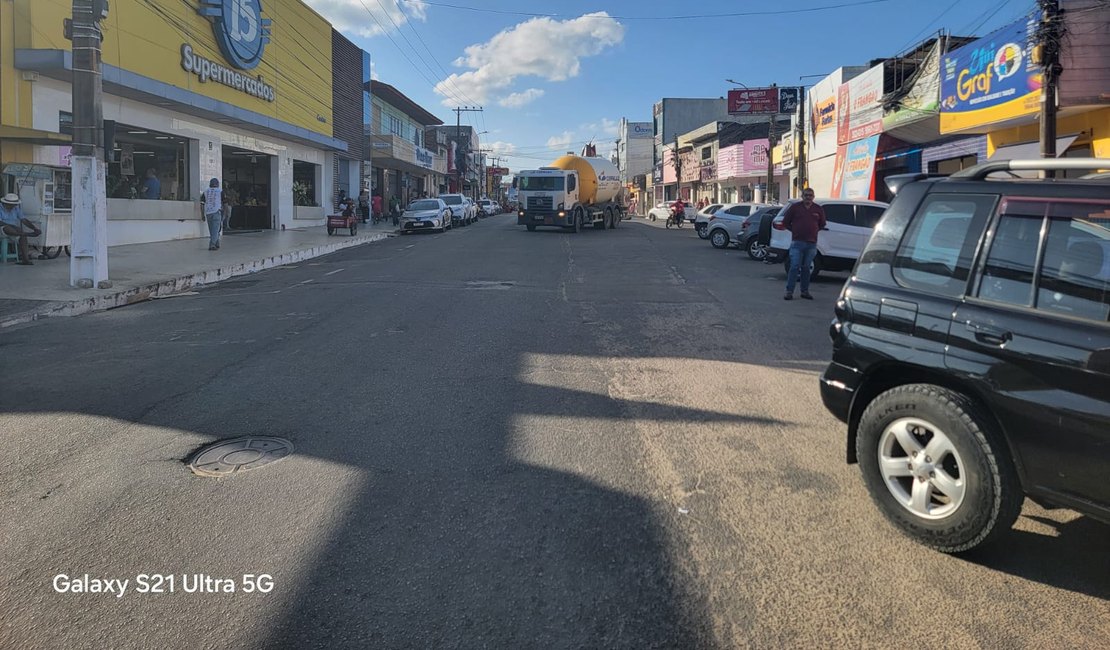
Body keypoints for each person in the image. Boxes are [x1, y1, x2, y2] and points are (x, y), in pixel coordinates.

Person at [782, 188, 826, 300]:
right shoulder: (795, 208)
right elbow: (786, 222)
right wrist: (795, 231)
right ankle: (789, 291)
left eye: (810, 195)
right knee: (794, 266)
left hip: (811, 244)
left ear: (813, 196)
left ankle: (804, 291)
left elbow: (822, 224)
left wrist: (813, 231)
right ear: (802, 196)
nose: (808, 197)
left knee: (806, 268)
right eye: (806, 195)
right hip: (797, 243)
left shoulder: (818, 209)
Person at [0, 193, 42, 265]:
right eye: (11, 205)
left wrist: (34, 228)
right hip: (2, 228)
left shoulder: (16, 208)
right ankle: (24, 233)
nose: (13, 206)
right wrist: (12, 226)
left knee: (22, 234)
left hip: (14, 231)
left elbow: (24, 220)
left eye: (14, 205)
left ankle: (25, 260)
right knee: (9, 228)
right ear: (5, 203)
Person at [201, 178, 223, 251]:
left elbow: (202, 204)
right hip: (217, 211)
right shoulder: (220, 191)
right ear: (217, 184)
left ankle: (217, 243)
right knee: (216, 229)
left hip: (208, 212)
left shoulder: (205, 192)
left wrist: (202, 214)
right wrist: (226, 212)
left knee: (212, 230)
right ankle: (212, 245)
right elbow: (225, 203)